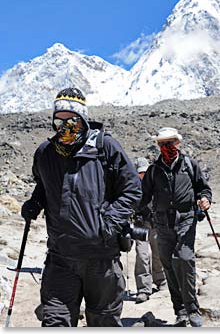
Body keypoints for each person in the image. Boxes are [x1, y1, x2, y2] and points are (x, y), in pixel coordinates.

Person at [21, 87, 142, 327]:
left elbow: (132, 190)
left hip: (102, 259)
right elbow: (44, 185)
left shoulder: (106, 147)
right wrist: (35, 203)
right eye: (59, 120)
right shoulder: (45, 153)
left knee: (103, 322)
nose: (64, 125)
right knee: (55, 321)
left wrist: (107, 225)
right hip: (60, 258)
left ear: (83, 119)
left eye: (71, 120)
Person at [139, 127, 212, 327]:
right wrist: (142, 213)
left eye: (170, 143)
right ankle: (180, 311)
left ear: (178, 143)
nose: (167, 147)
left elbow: (203, 188)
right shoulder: (154, 170)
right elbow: (143, 198)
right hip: (162, 224)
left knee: (185, 260)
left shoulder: (190, 164)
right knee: (169, 266)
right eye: (163, 144)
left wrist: (205, 199)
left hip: (186, 221)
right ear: (158, 145)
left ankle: (193, 309)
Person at [133, 157, 166, 304]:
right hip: (140, 224)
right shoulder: (131, 186)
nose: (142, 175)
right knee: (142, 255)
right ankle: (143, 289)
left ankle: (161, 281)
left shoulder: (156, 183)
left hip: (156, 223)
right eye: (140, 173)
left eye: (144, 172)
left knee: (158, 253)